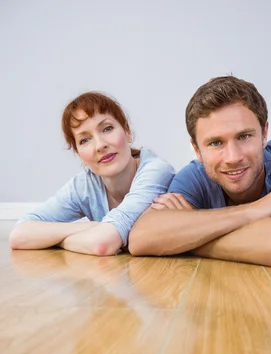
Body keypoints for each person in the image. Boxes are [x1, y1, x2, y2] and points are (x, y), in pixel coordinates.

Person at [128, 76, 271, 268]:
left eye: (244, 136)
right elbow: (141, 238)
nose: (233, 157)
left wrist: (183, 239)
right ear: (196, 150)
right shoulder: (194, 175)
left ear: (264, 133)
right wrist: (258, 209)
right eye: (216, 143)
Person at [9, 92, 174, 256]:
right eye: (85, 140)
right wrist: (85, 228)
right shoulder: (85, 185)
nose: (100, 145)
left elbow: (102, 244)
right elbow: (19, 235)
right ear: (79, 154)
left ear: (127, 132)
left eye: (107, 128)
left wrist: (59, 239)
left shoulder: (156, 171)